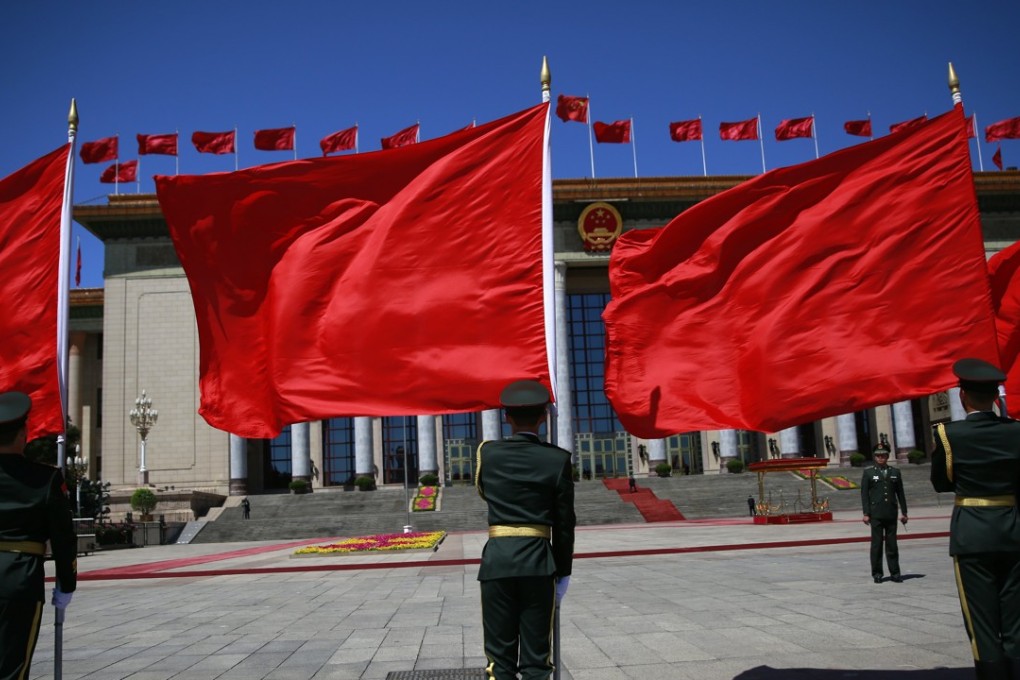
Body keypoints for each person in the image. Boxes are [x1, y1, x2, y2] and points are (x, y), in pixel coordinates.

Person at [476, 380, 575, 680]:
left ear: (506, 417)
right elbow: (564, 523)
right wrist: (564, 571)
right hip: (538, 564)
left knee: (498, 661)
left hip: (497, 562)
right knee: (536, 661)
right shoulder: (558, 460)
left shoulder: (487, 454)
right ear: (544, 415)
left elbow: (483, 490)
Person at [931, 358, 1020, 679]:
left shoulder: (948, 434)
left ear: (962, 396)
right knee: (1015, 617)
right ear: (996, 396)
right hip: (1013, 529)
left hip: (972, 533)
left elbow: (941, 482)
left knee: (981, 620)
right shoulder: (1016, 431)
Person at [0, 391, 77, 680]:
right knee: (12, 669)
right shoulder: (44, 479)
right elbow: (63, 537)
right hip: (19, 579)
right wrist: (66, 584)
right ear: (23, 434)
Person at [861, 439, 907, 583]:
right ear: (875, 457)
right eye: (878, 456)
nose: (881, 458)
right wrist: (866, 513)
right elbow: (864, 495)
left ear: (887, 456)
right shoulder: (869, 473)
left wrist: (904, 512)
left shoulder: (895, 472)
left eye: (883, 455)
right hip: (876, 514)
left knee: (892, 545)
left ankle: (895, 573)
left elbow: (901, 494)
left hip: (890, 513)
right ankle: (877, 573)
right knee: (877, 545)